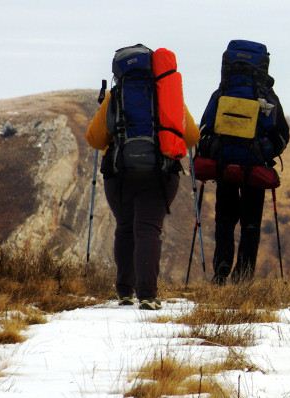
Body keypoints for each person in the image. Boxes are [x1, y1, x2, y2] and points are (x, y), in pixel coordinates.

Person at [85, 45, 199, 310]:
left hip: (120, 174)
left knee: (125, 227)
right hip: (159, 173)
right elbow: (191, 135)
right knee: (148, 229)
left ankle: (125, 291)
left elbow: (94, 138)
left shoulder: (116, 97)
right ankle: (147, 294)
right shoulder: (167, 94)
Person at [196, 40, 289, 284]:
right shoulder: (267, 96)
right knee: (251, 223)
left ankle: (221, 269)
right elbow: (282, 135)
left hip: (224, 166)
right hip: (255, 168)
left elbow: (204, 129)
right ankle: (243, 275)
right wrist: (266, 152)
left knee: (224, 219)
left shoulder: (222, 93)